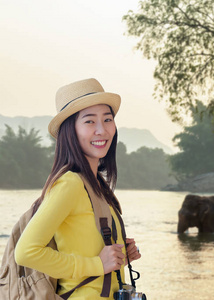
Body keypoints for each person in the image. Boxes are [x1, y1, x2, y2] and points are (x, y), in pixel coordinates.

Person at [15, 78, 141, 299]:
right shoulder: (70, 184)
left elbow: (85, 248)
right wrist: (96, 264)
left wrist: (121, 256)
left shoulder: (96, 185)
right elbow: (26, 252)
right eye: (90, 121)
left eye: (107, 119)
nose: (102, 130)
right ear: (70, 130)